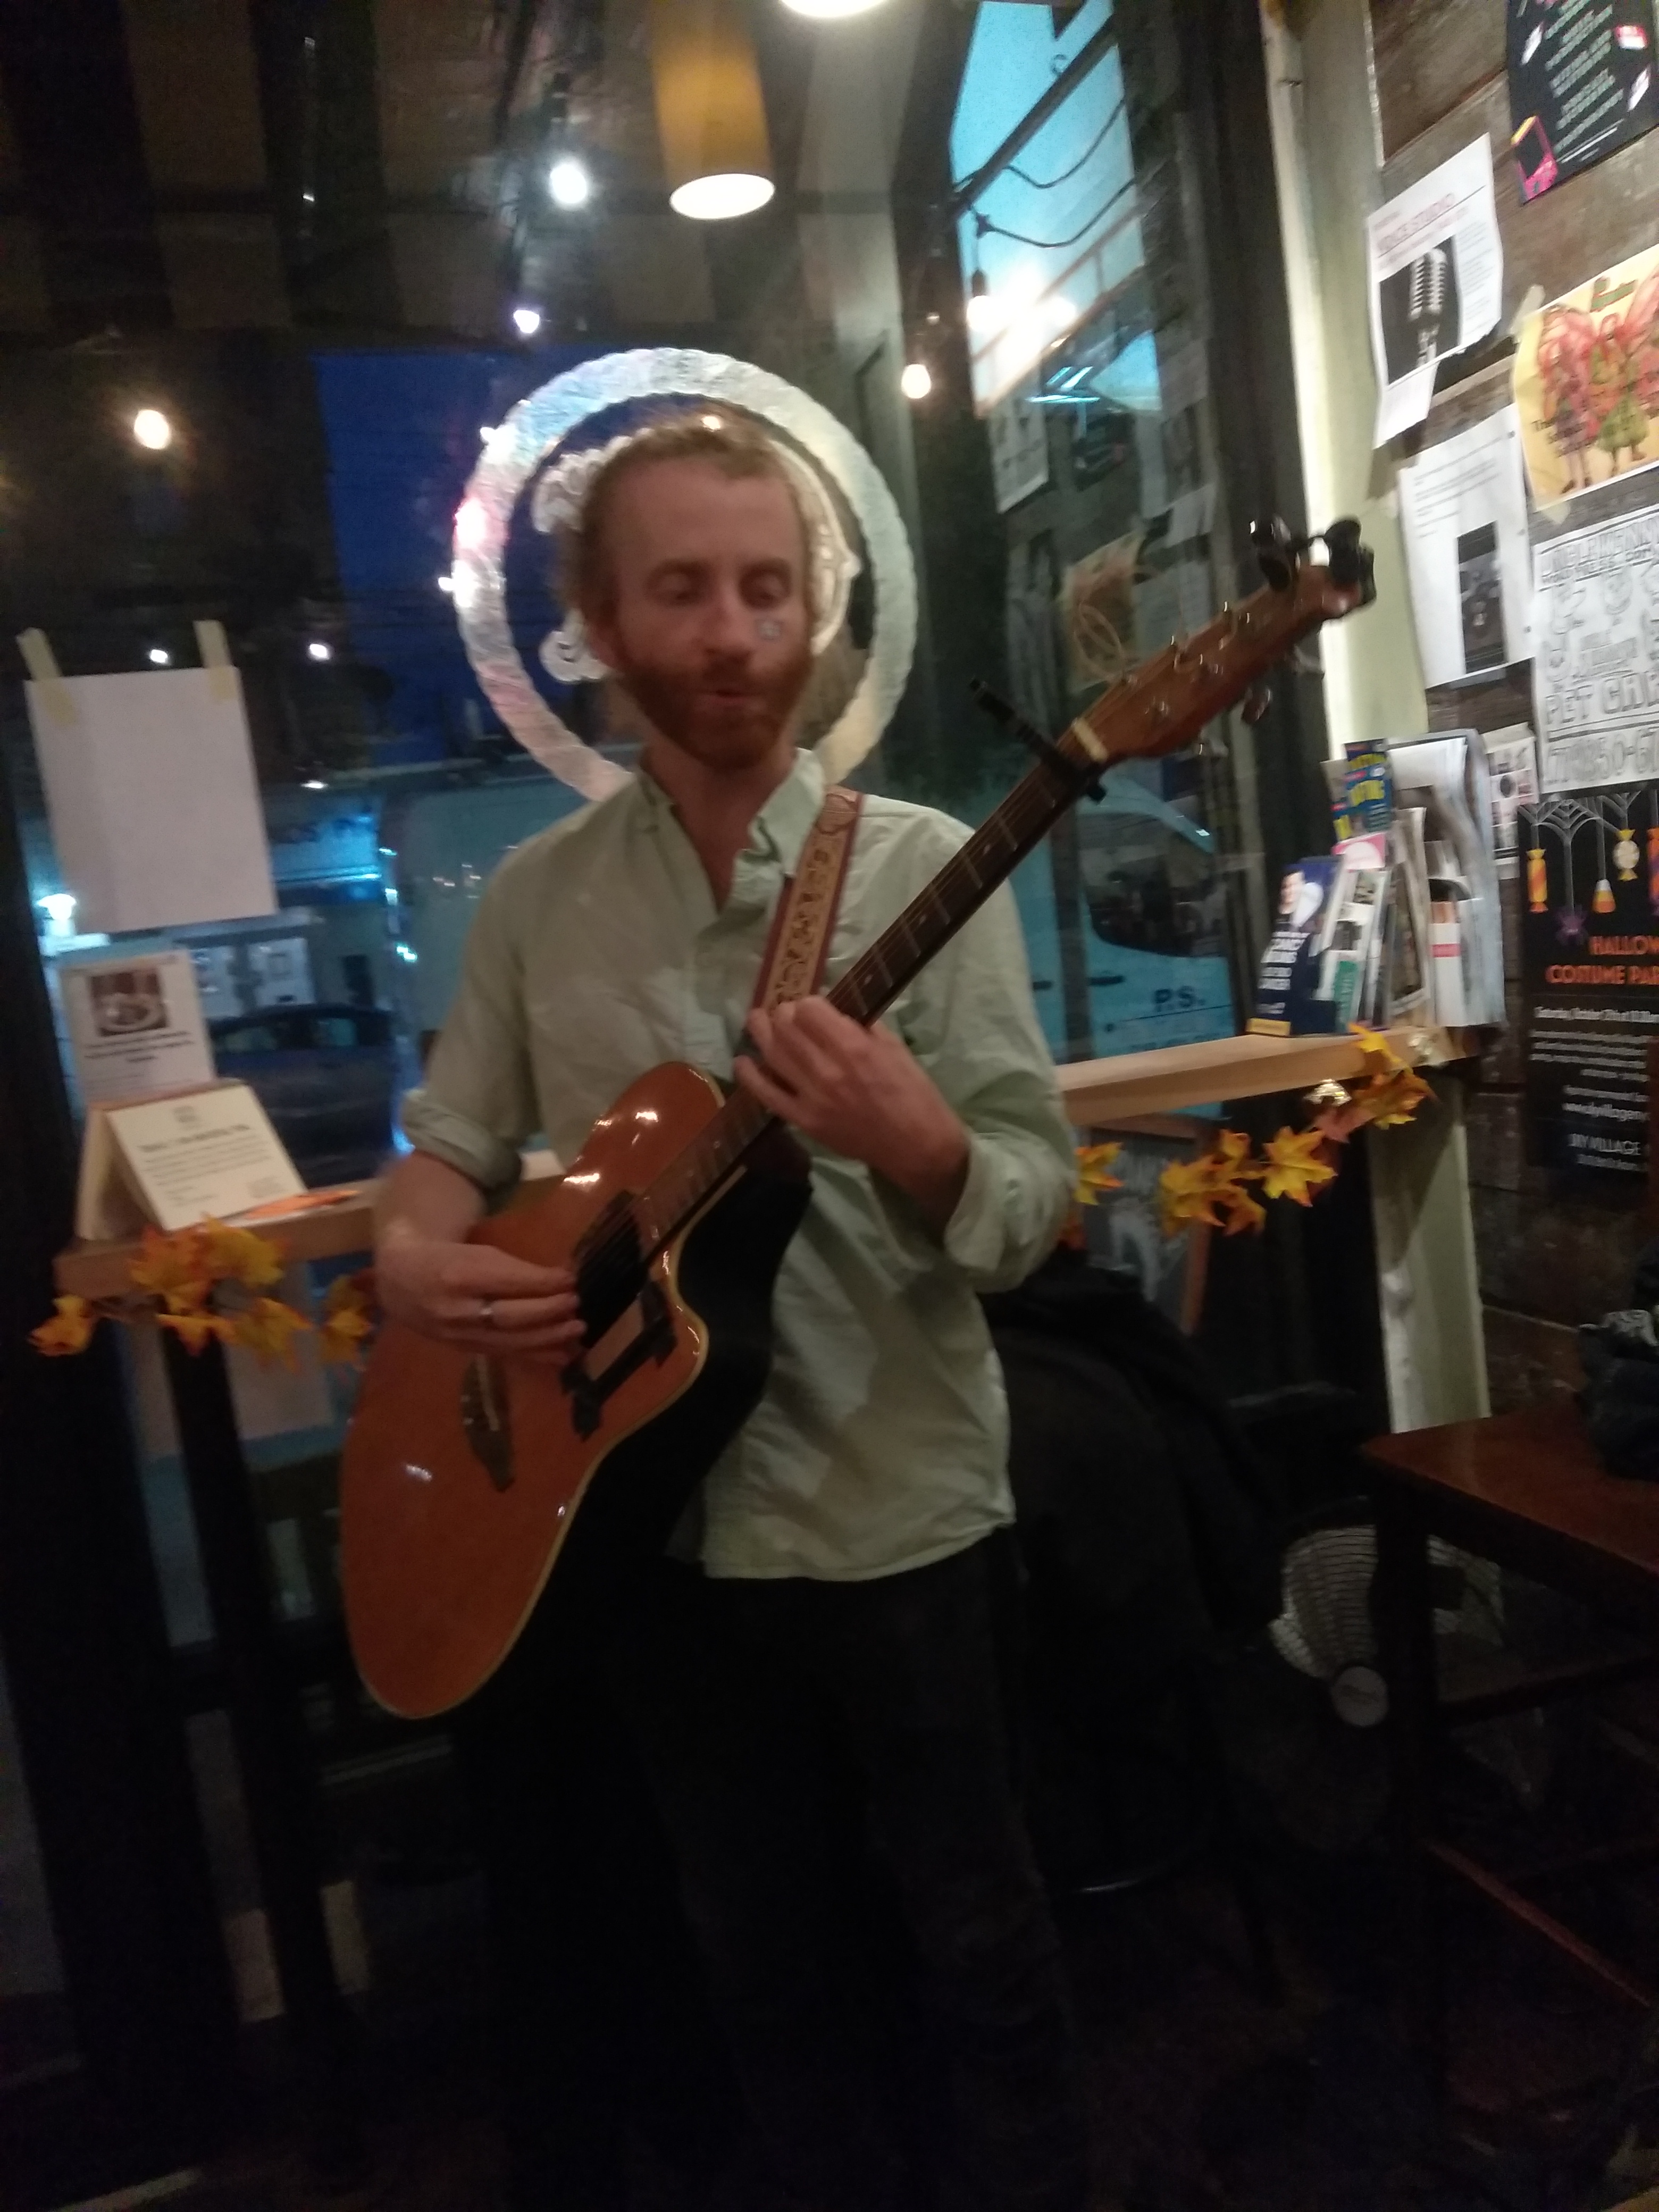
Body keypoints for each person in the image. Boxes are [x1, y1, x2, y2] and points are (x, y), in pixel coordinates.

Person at [374, 408, 1090, 2211]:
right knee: (757, 1963)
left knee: (983, 1950)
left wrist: (921, 1141)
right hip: (652, 1532)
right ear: (600, 624)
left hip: (900, 1513)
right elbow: (448, 1149)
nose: (732, 633)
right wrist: (412, 1259)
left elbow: (1026, 1213)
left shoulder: (922, 868)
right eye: (682, 589)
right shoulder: (537, 904)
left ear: (816, 615)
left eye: (769, 588)